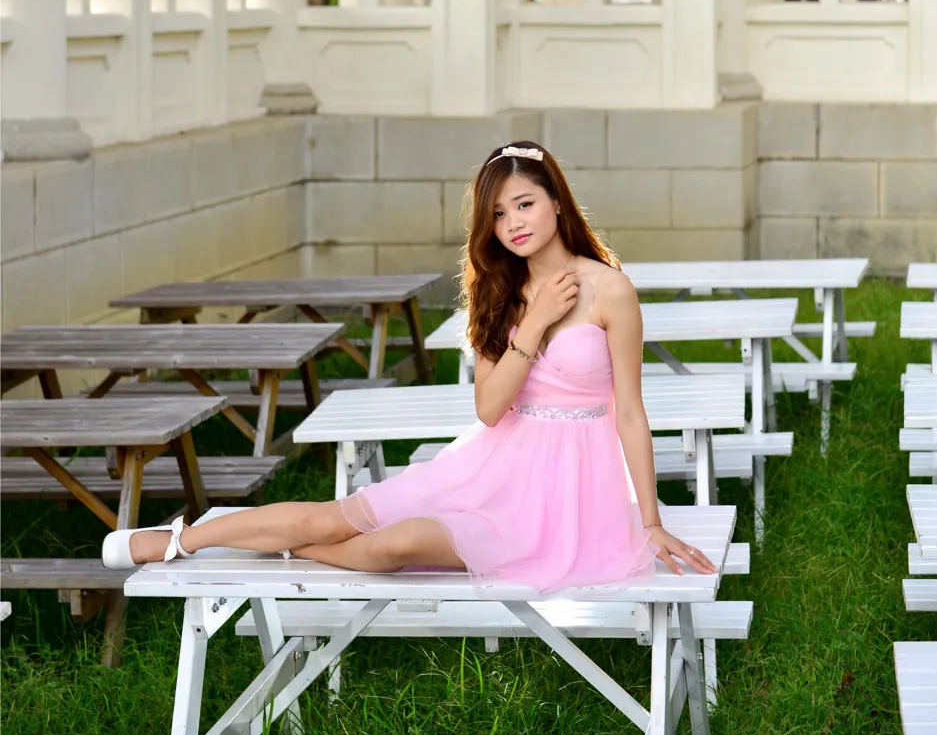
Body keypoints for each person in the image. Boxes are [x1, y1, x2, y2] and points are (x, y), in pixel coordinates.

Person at [103, 141, 715, 587]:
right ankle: (178, 540)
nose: (512, 225)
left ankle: (293, 552)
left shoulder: (610, 290)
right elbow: (490, 408)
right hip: (493, 468)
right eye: (498, 215)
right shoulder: (500, 295)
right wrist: (534, 322)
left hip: (571, 493)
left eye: (524, 204)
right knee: (331, 516)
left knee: (389, 548)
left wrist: (652, 520)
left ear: (557, 201)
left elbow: (631, 412)